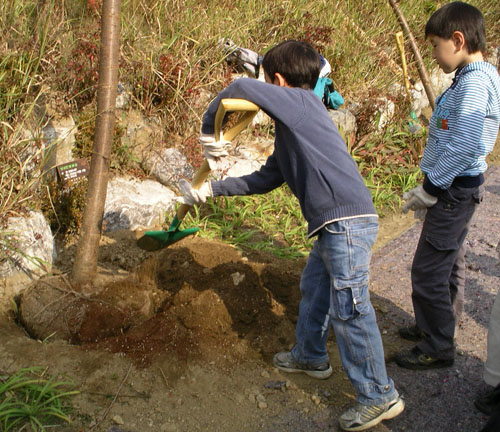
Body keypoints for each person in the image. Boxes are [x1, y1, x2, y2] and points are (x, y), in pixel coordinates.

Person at [178, 40, 404, 432]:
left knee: (350, 307)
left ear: (278, 82)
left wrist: (209, 133)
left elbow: (240, 89)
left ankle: (378, 395)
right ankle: (310, 355)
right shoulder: (294, 128)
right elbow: (265, 180)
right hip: (334, 224)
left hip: (346, 222)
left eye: (269, 83)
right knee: (315, 287)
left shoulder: (301, 106)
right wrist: (211, 190)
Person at [395, 2, 500, 370]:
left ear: (457, 40)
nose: (434, 55)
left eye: (435, 45)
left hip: (453, 191)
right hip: (457, 189)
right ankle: (437, 327)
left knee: (427, 271)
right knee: (448, 262)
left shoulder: (473, 83)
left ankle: (437, 345)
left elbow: (465, 143)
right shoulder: (476, 76)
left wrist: (432, 188)